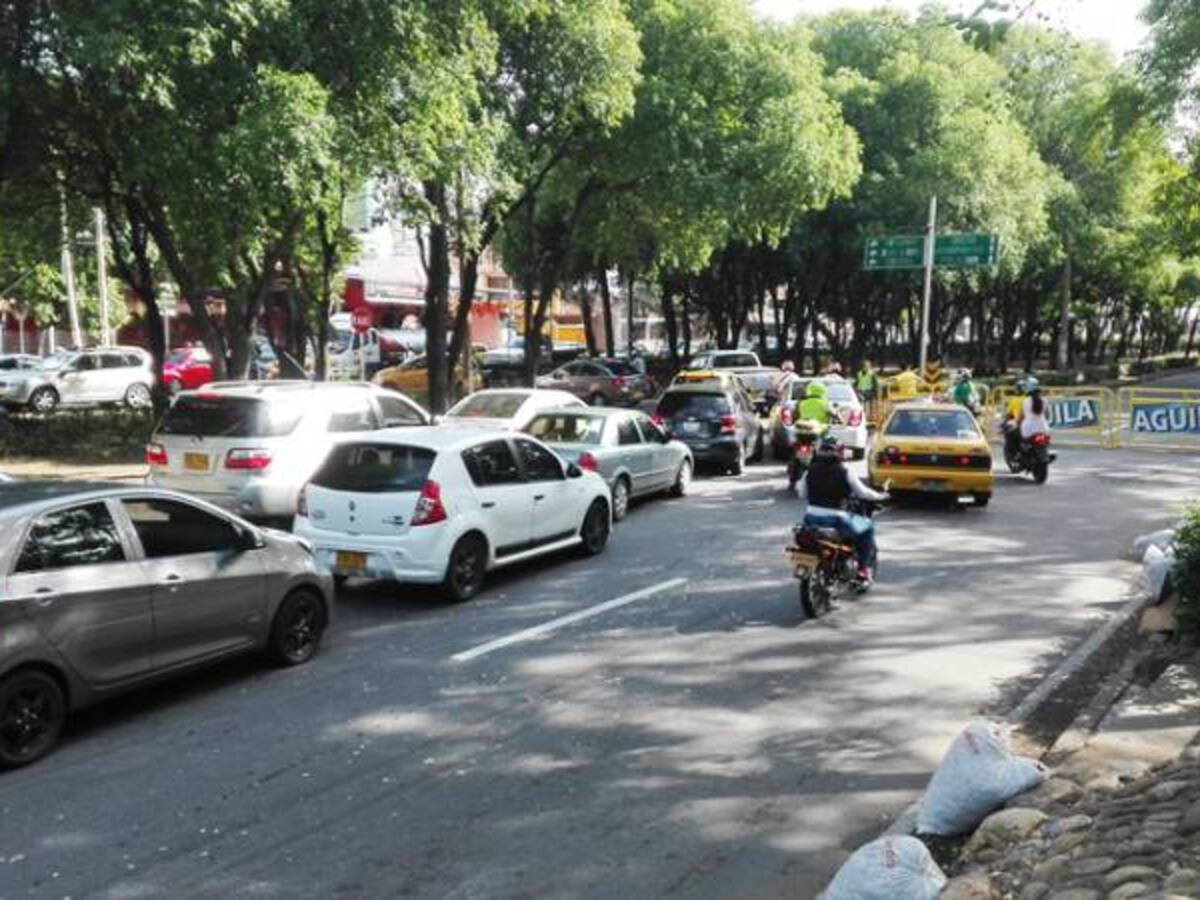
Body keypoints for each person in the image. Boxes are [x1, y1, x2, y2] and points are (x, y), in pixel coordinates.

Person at [798, 433, 888, 582]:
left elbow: (802, 493)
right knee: (867, 527)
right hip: (837, 520)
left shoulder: (809, 471)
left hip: (811, 518)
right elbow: (863, 493)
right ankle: (862, 569)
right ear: (840, 453)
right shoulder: (845, 471)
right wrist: (880, 496)